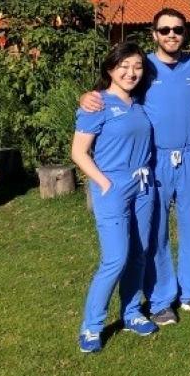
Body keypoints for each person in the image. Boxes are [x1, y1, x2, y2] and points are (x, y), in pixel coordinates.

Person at [80, 8, 190, 323]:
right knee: (156, 232)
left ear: (185, 33)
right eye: (164, 30)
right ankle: (161, 298)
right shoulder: (143, 67)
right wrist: (86, 96)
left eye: (177, 29)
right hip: (155, 159)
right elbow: (114, 91)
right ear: (154, 34)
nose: (171, 35)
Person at [72, 42, 157, 353]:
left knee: (139, 253)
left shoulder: (139, 104)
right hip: (113, 187)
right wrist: (105, 184)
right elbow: (78, 152)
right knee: (115, 258)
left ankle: (132, 312)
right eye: (124, 66)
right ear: (110, 69)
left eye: (137, 66)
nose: (131, 72)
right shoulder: (96, 104)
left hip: (143, 185)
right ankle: (92, 326)